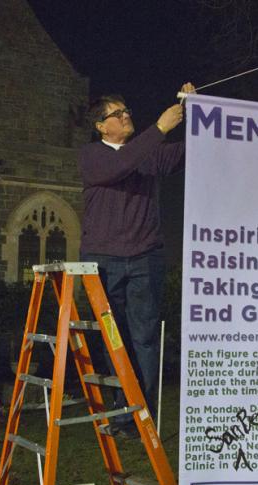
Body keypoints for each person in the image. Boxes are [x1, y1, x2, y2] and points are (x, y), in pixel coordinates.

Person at [79, 83, 195, 436]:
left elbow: (191, 152)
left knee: (145, 338)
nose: (126, 115)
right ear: (101, 126)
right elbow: (120, 166)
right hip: (103, 260)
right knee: (113, 339)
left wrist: (194, 110)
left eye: (127, 110)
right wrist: (159, 128)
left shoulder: (147, 154)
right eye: (118, 113)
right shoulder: (92, 155)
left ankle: (140, 417)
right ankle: (118, 411)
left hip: (146, 259)